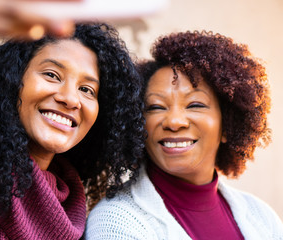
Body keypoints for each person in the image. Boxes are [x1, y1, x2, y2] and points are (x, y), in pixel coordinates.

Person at [0, 0, 145, 239]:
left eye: (87, 90)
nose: (71, 99)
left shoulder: (76, 210)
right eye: (51, 75)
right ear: (11, 80)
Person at [85, 31, 283, 239]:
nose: (174, 121)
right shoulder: (115, 220)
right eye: (156, 107)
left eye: (195, 105)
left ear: (227, 125)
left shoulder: (262, 217)